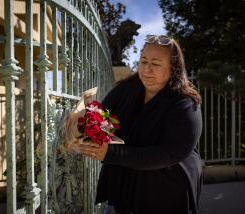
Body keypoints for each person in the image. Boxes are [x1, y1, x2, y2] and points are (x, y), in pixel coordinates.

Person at [73, 35, 203, 214]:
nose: (147, 69)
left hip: (167, 192)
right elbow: (99, 118)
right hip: (125, 188)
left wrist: (111, 152)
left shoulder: (186, 104)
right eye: (143, 61)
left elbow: (169, 153)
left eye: (155, 64)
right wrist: (86, 127)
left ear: (173, 69)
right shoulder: (125, 89)